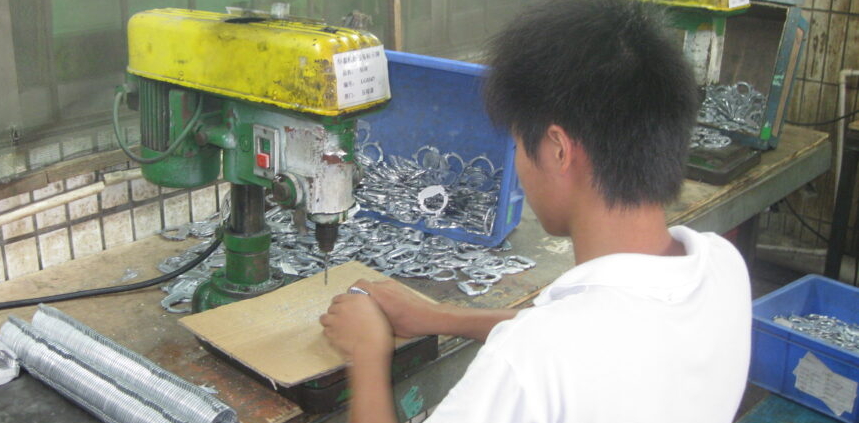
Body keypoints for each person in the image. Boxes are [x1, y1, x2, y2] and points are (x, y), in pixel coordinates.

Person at [319, 0, 752, 421]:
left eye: (518, 145)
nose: (520, 169)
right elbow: (587, 338)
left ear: (558, 150)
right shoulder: (722, 265)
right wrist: (440, 318)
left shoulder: (530, 362)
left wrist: (368, 355)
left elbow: (551, 349)